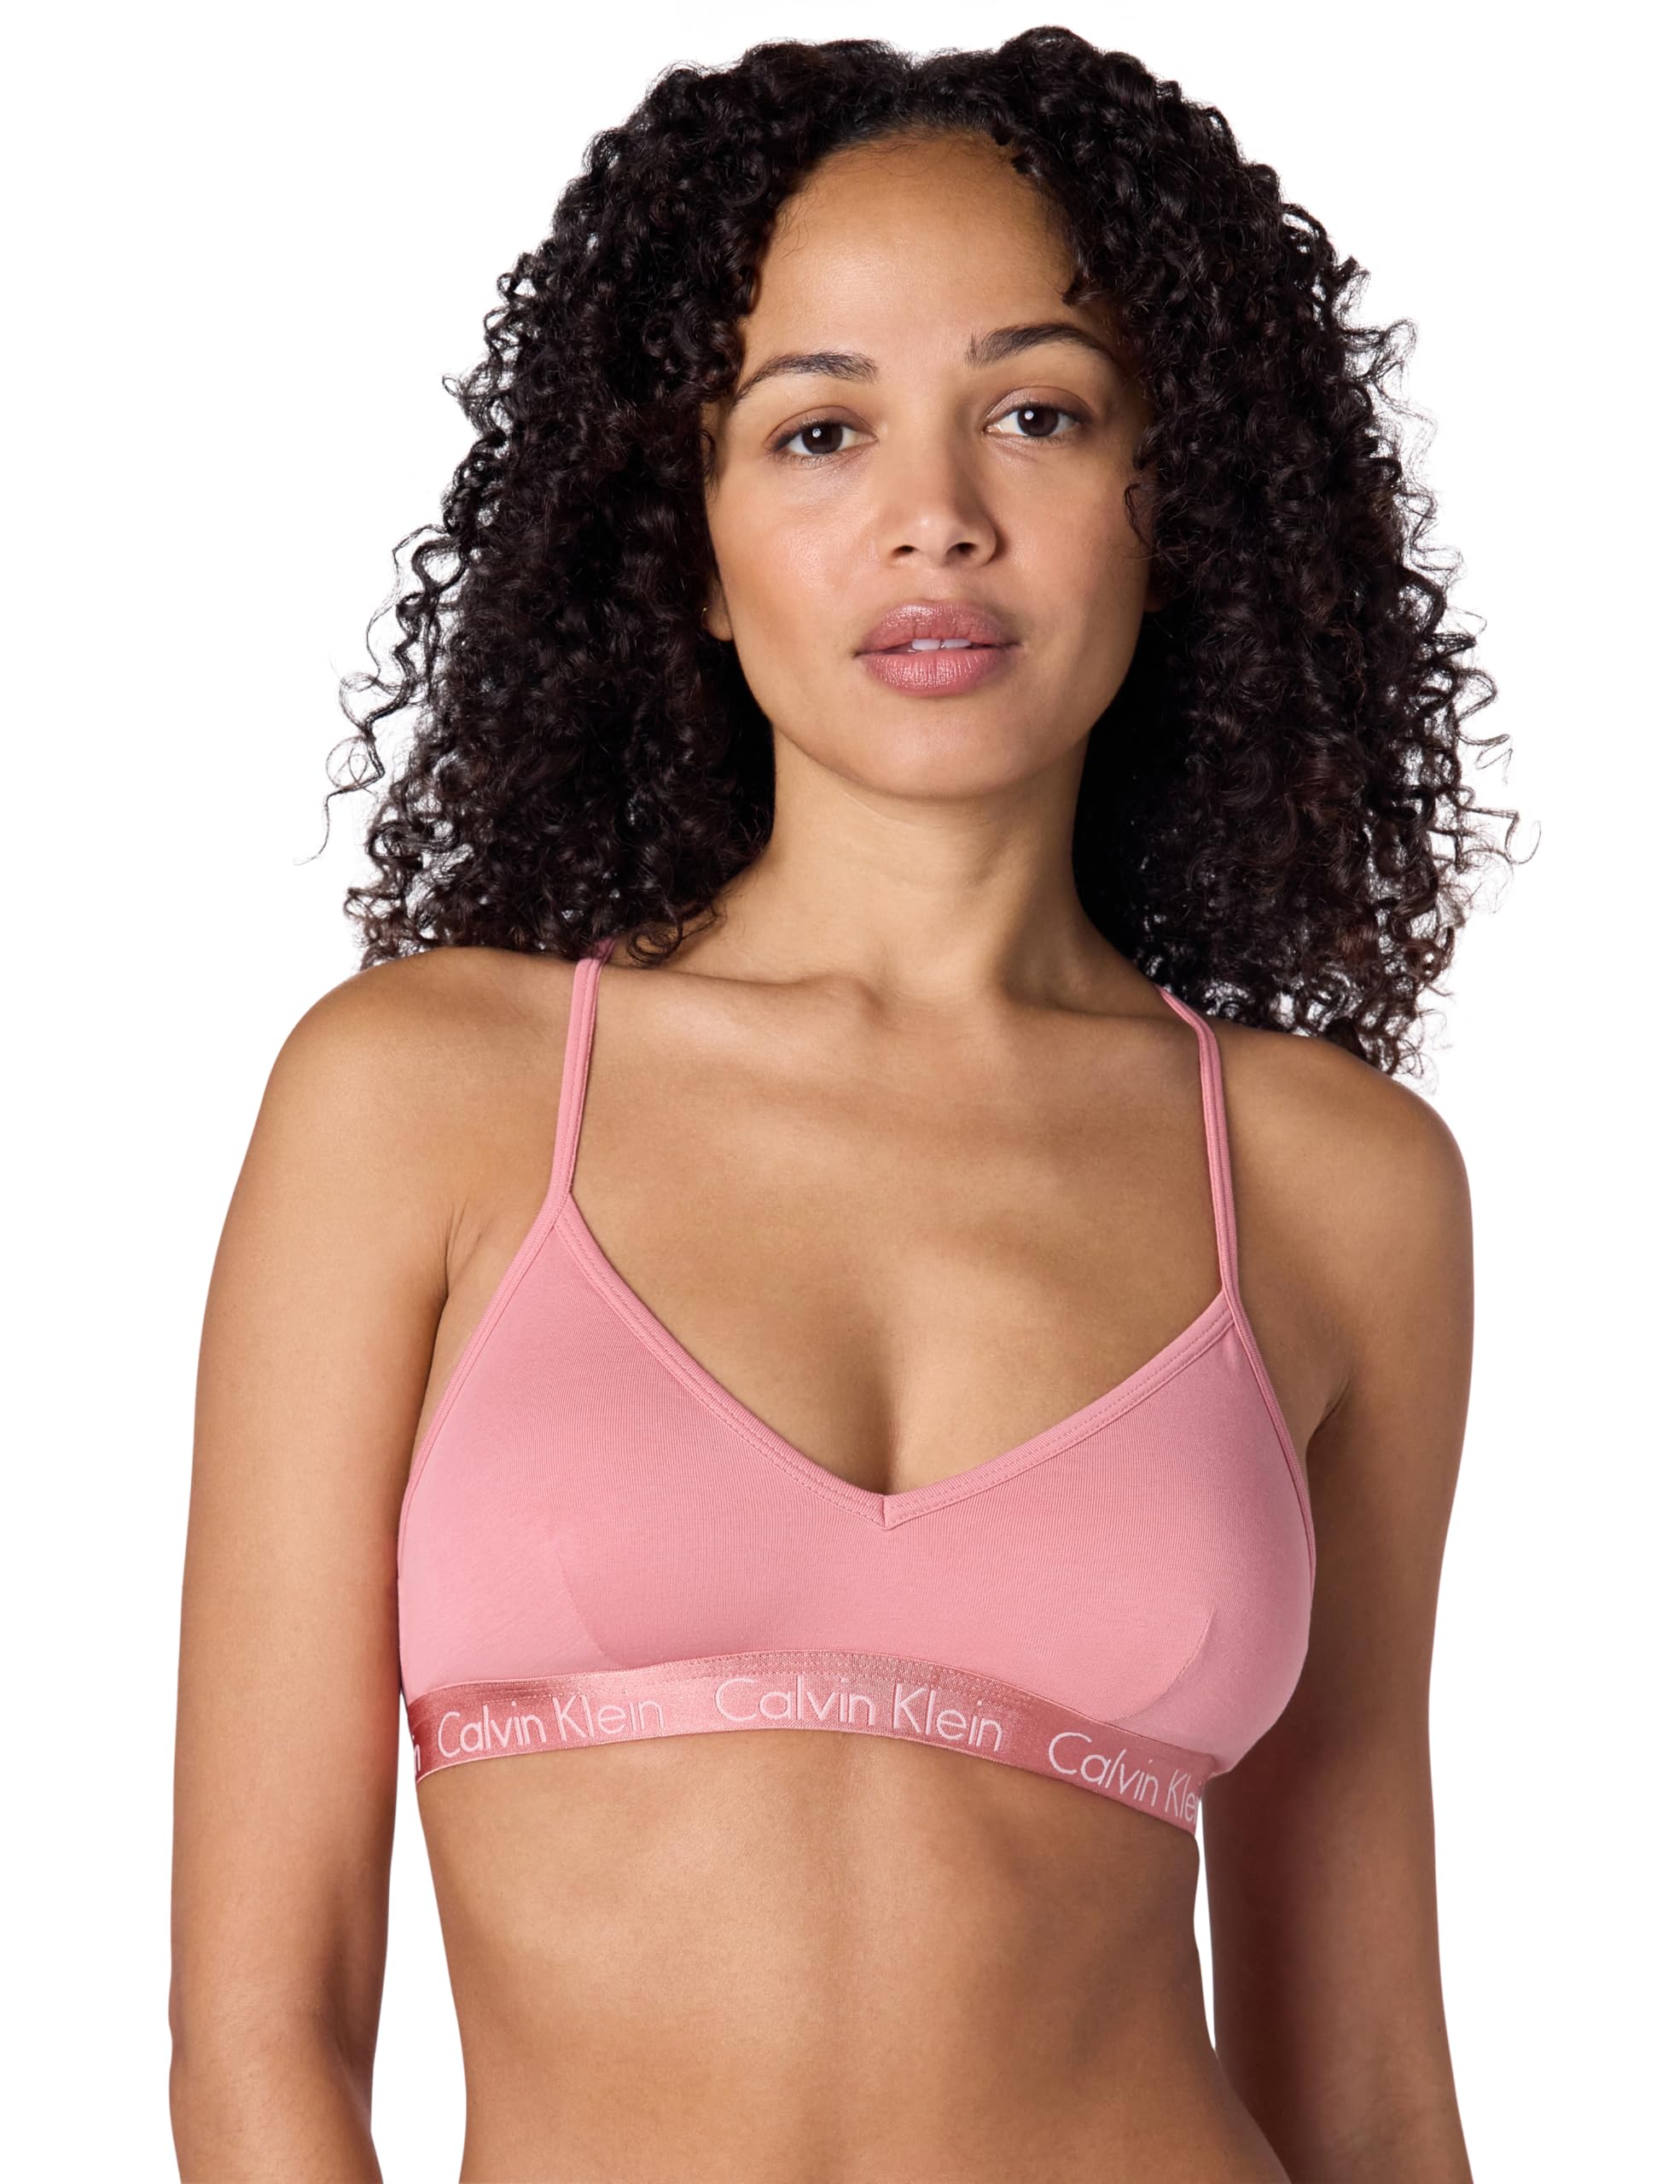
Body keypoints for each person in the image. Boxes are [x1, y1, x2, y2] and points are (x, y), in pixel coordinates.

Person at [170, 27, 1514, 2182]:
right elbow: (261, 2024)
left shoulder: (1334, 1184)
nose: (935, 516)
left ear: (1176, 506)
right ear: (689, 550)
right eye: (817, 428)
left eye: (1038, 412)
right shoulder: (421, 1104)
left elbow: (1360, 2071)